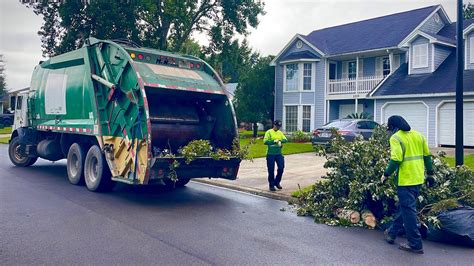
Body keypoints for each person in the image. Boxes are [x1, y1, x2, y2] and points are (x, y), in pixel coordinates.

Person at [381, 115, 435, 254]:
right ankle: (392, 233)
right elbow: (427, 156)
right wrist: (430, 174)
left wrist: (385, 175)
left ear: (393, 127)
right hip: (418, 178)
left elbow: (396, 159)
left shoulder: (396, 138)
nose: (390, 132)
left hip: (405, 180)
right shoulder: (419, 135)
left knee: (409, 211)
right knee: (404, 207)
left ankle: (415, 244)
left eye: (390, 129)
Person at [263, 120, 288, 191]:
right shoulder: (269, 132)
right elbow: (265, 142)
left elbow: (285, 140)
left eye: (279, 126)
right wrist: (274, 141)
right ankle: (271, 185)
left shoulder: (280, 133)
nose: (278, 128)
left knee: (281, 167)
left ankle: (277, 182)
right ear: (274, 125)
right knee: (271, 170)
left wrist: (279, 141)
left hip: (278, 153)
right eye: (277, 126)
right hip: (271, 154)